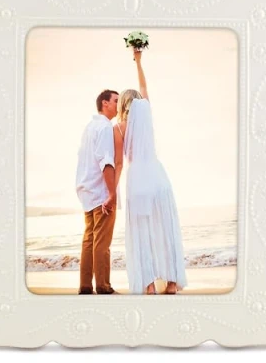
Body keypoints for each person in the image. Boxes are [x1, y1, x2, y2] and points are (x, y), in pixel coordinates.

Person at [112, 50, 187, 295]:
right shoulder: (147, 114)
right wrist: (138, 61)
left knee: (141, 233)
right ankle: (173, 283)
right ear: (138, 102)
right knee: (166, 229)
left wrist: (112, 192)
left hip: (137, 181)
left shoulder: (118, 128)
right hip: (157, 177)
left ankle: (149, 285)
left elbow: (119, 163)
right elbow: (144, 87)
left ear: (122, 105)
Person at [75, 89, 119, 294]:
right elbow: (106, 162)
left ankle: (85, 286)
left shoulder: (89, 127)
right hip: (100, 191)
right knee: (101, 241)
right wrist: (112, 193)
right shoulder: (105, 128)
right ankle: (103, 285)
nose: (119, 104)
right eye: (116, 100)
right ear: (105, 103)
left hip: (86, 189)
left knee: (89, 240)